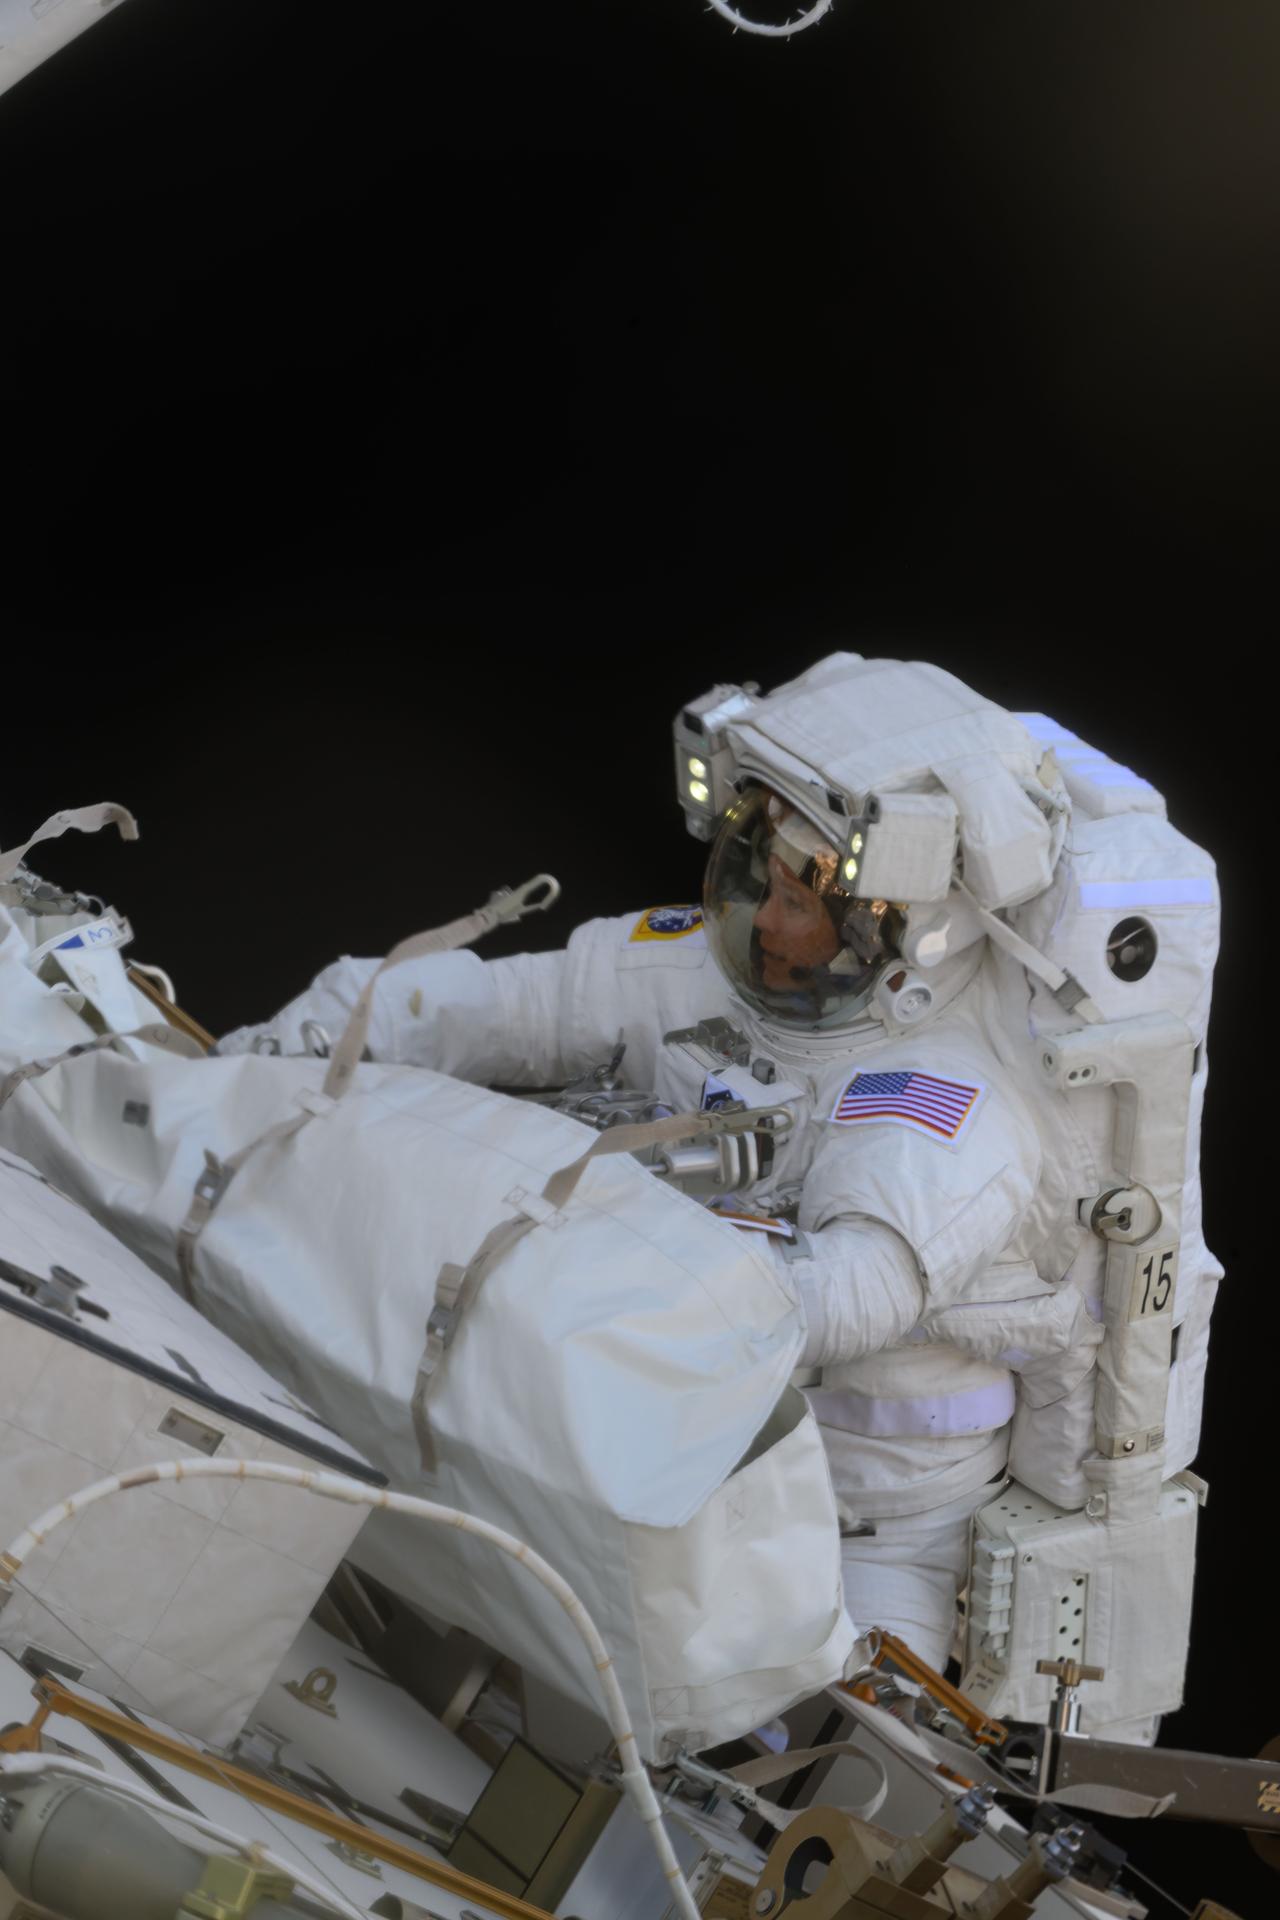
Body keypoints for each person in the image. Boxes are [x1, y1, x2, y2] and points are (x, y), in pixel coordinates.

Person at [218, 656, 1109, 1673]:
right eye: (755, 876)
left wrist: (604, 1283)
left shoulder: (941, 1099)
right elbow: (472, 1009)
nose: (765, 920)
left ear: (890, 931)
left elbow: (850, 1293)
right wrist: (239, 1079)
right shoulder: (687, 966)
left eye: (799, 901)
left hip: (868, 1529)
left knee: (851, 1765)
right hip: (672, 1458)